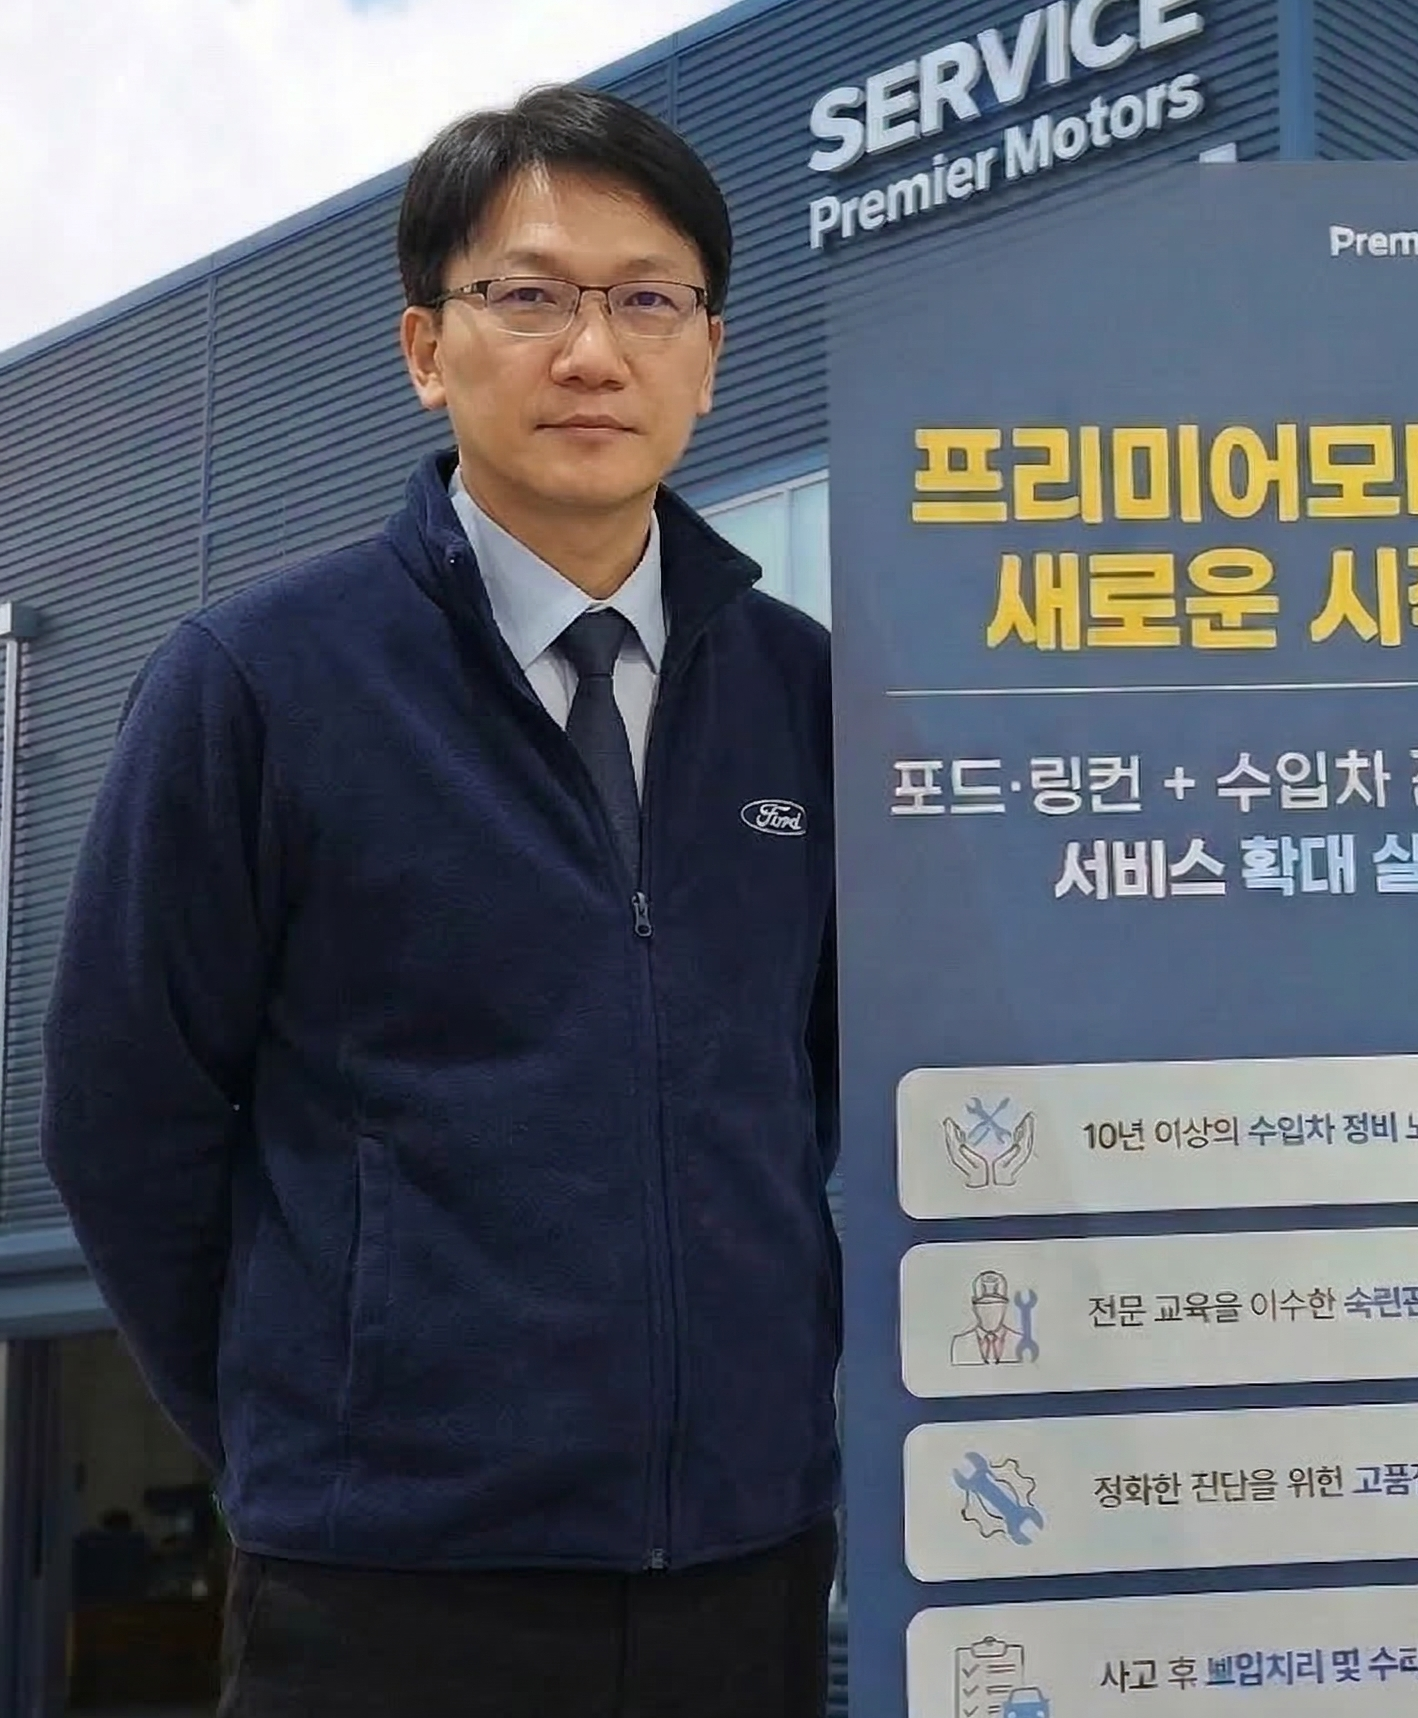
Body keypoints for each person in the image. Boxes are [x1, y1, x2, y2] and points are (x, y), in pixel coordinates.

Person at [40, 84, 840, 1718]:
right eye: (530, 295)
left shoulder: (808, 695)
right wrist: (317, 1431)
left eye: (648, 300)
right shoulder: (259, 683)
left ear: (710, 354)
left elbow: (817, 1083)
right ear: (426, 348)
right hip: (389, 1592)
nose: (593, 351)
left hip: (747, 1566)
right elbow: (126, 1121)